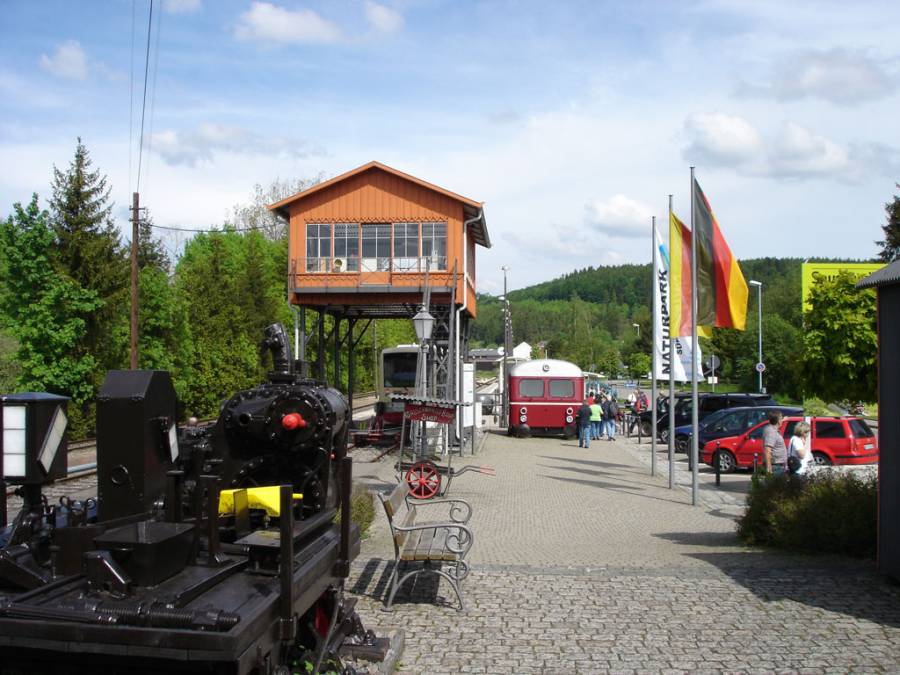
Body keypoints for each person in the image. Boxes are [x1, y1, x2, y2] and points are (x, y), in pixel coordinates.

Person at [763, 410, 788, 475]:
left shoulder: (770, 428)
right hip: (775, 466)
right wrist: (769, 466)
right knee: (777, 484)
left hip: (777, 465)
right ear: (778, 421)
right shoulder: (772, 432)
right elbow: (767, 450)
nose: (782, 420)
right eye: (781, 418)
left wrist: (784, 419)